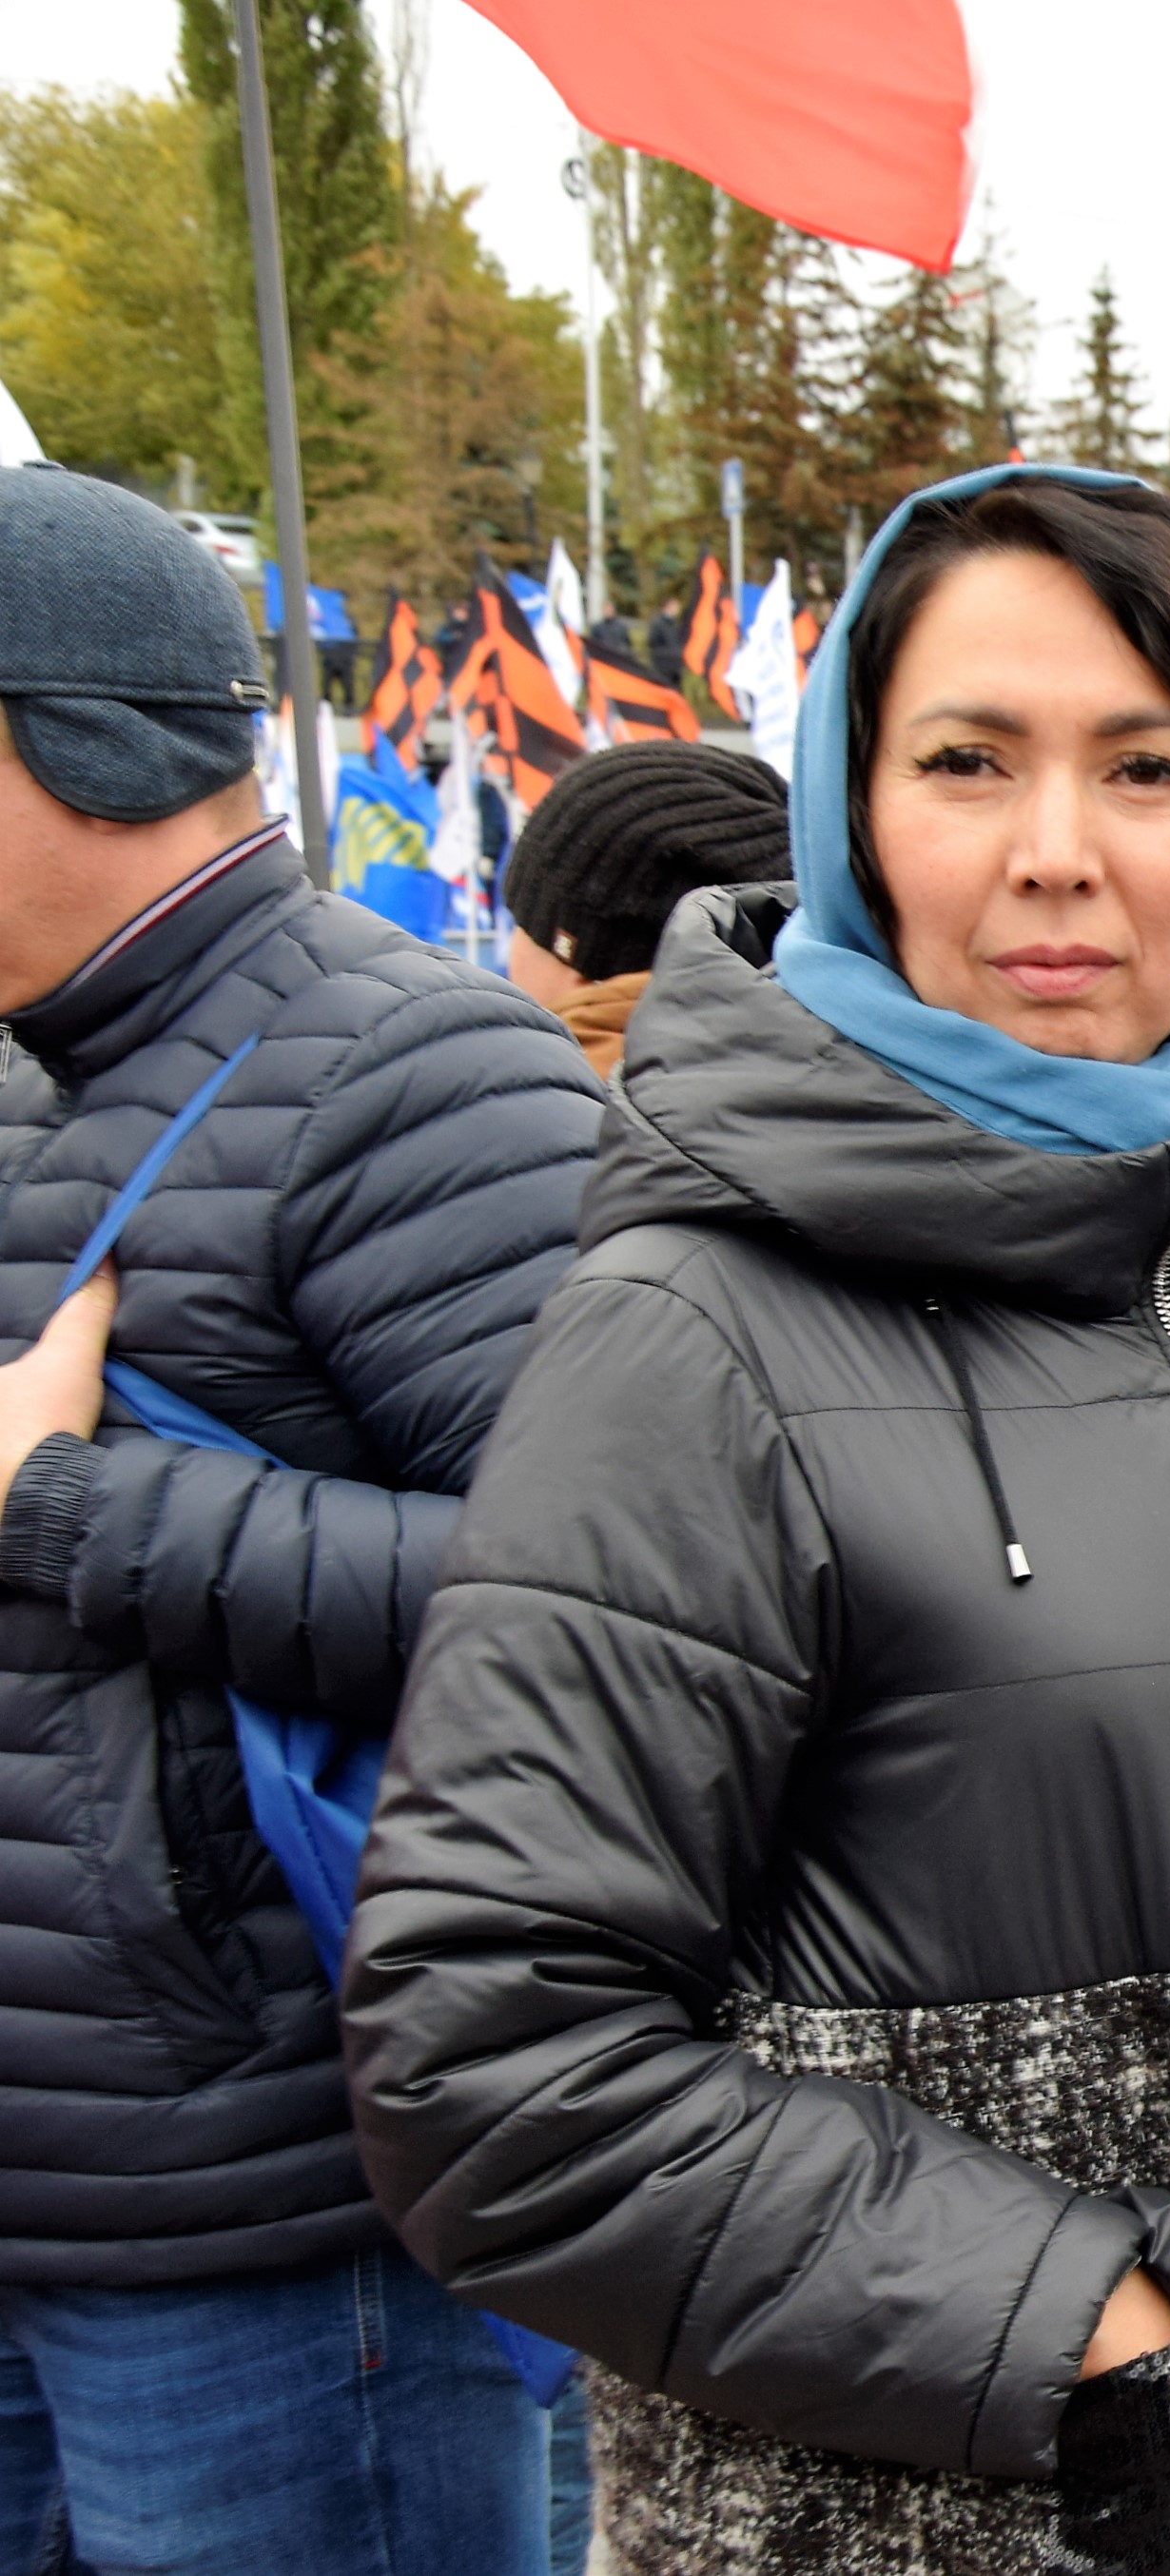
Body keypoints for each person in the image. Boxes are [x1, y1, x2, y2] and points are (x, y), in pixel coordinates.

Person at [339, 466, 1170, 2574]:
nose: (1055, 853)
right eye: (968, 760)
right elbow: (486, 2056)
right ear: (852, 809)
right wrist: (1080, 2322)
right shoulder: (690, 1329)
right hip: (978, 2501)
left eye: (1146, 767)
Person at [0, 468, 605, 2573]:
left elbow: (617, 1617)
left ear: (56, 745)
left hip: (281, 2235)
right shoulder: (32, 1080)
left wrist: (78, 1505)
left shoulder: (422, 1072)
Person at [495, 739, 794, 1074]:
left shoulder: (533, 1094)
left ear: (576, 958)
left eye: (520, 920)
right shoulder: (803, 1073)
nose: (510, 951)